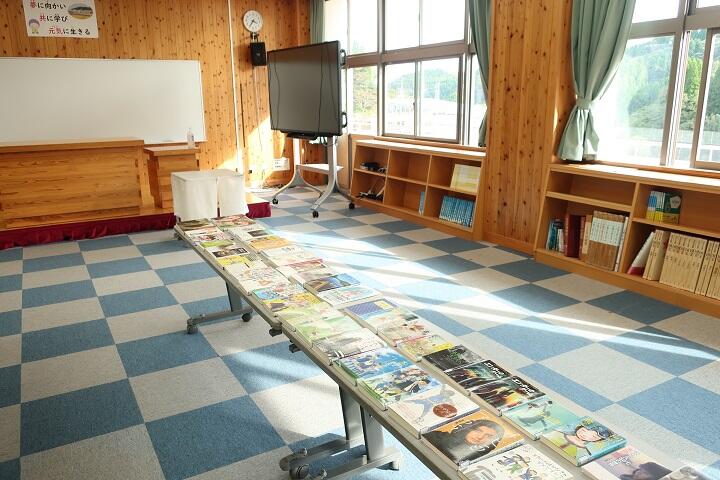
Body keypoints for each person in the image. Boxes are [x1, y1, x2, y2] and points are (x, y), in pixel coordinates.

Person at [424, 417, 506, 464]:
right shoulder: (435, 436)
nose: (480, 437)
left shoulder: (478, 460)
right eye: (478, 431)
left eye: (488, 436)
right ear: (468, 429)